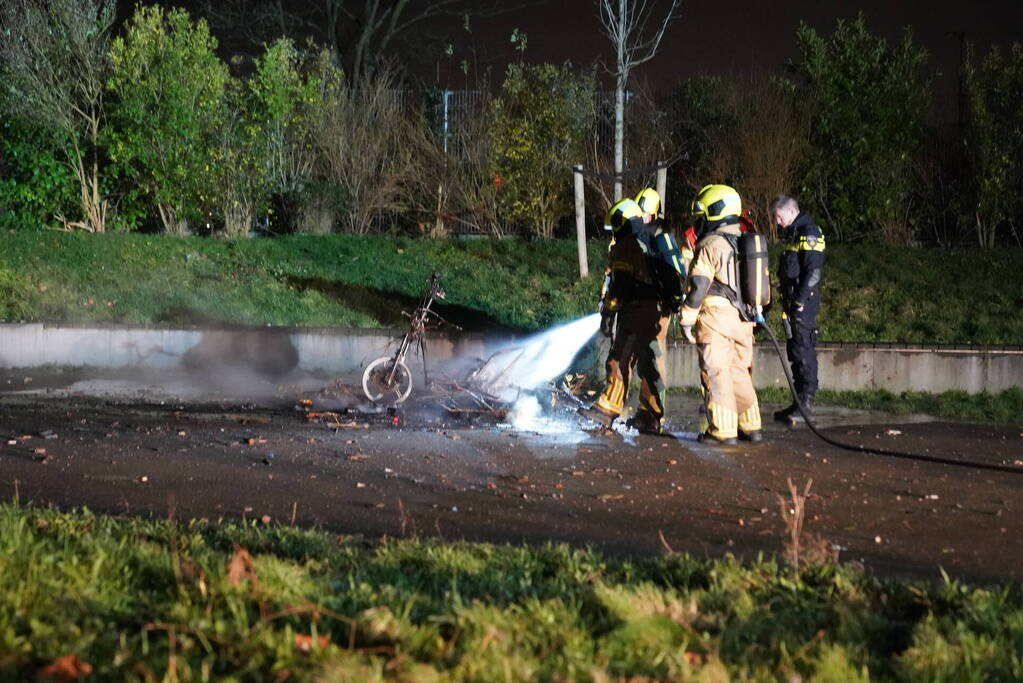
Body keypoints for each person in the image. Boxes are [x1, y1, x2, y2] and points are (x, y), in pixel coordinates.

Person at [578, 189, 684, 435]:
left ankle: (607, 409)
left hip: (637, 309)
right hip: (657, 310)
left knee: (620, 358)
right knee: (650, 363)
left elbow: (621, 284)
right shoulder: (647, 241)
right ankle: (650, 415)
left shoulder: (626, 245)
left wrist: (608, 312)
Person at [678, 184, 763, 445]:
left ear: (715, 211)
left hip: (716, 319)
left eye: (704, 214)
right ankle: (751, 426)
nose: (700, 220)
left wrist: (686, 320)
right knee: (739, 372)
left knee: (716, 373)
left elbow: (698, 287)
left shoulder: (711, 244)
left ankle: (723, 432)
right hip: (745, 318)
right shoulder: (747, 240)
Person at [771, 194, 825, 425]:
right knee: (795, 349)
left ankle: (807, 402)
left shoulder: (809, 232)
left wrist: (801, 301)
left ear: (791, 212)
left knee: (803, 347)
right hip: (794, 300)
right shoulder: (795, 232)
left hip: (803, 301)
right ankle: (798, 400)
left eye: (778, 216)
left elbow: (813, 271)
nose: (777, 222)